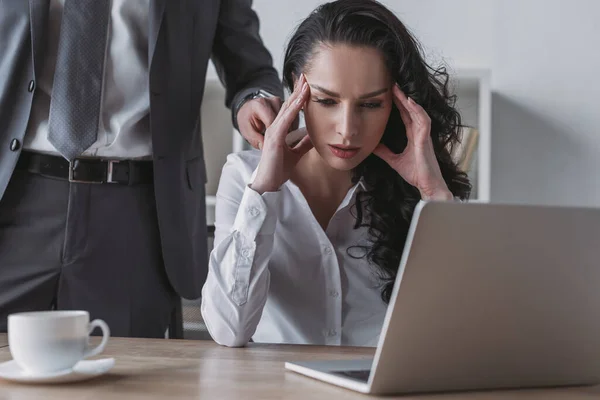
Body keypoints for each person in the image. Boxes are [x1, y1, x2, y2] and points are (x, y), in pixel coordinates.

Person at [0, 0, 283, 338]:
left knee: (122, 379)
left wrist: (253, 99)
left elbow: (248, 66)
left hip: (135, 212)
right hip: (14, 195)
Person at [201, 0, 471, 347]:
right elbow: (228, 330)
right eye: (327, 101)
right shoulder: (244, 178)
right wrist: (264, 190)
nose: (347, 130)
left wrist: (434, 197)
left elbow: (457, 334)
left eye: (370, 104)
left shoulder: (419, 187)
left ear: (398, 104)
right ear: (297, 93)